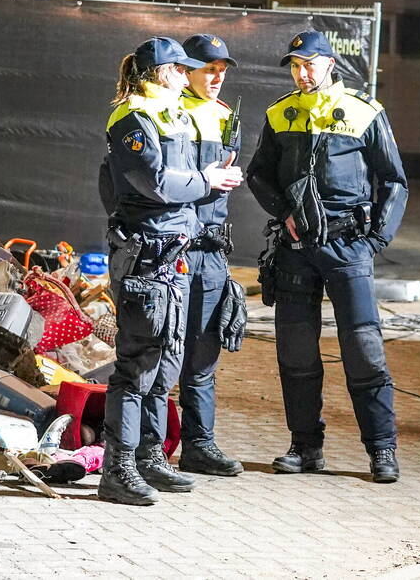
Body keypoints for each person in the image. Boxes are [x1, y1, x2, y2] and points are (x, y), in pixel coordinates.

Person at [245, 30, 408, 483]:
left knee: (364, 350)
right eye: (295, 65)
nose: (301, 73)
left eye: (309, 64)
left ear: (330, 64)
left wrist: (375, 241)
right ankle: (305, 447)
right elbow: (258, 175)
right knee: (296, 354)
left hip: (348, 246)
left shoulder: (364, 112)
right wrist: (284, 213)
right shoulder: (281, 113)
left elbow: (394, 181)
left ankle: (381, 450)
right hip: (296, 251)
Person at [98, 36, 243, 505]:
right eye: (181, 69)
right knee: (136, 365)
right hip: (147, 254)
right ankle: (116, 469)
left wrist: (206, 184)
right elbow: (153, 182)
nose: (188, 76)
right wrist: (207, 180)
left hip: (173, 250)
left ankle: (148, 456)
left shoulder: (169, 114)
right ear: (162, 73)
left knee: (167, 360)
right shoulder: (132, 118)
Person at [175, 34, 246, 477]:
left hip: (212, 252)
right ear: (187, 69)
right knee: (162, 355)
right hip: (174, 250)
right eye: (209, 67)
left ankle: (199, 445)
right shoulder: (169, 112)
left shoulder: (225, 117)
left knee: (202, 355)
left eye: (223, 69)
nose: (217, 76)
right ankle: (147, 449)